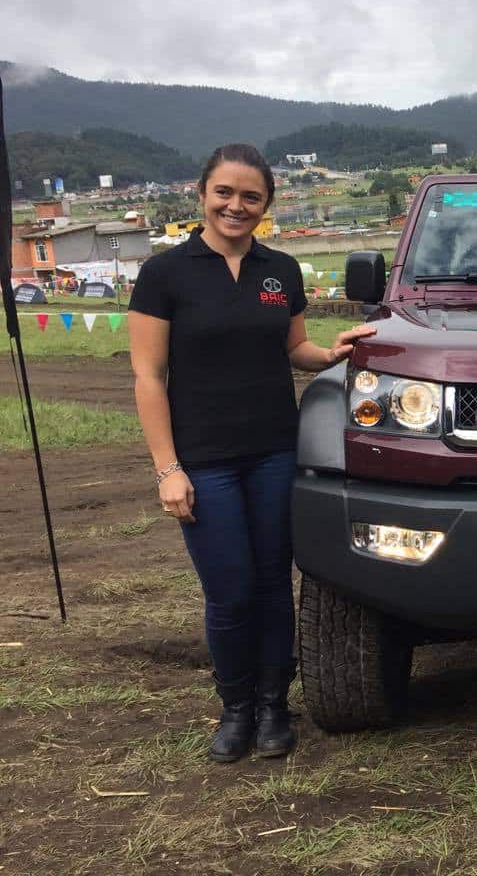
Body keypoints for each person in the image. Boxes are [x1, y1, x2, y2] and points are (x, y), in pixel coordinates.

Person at [128, 144, 375, 763]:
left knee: (272, 584)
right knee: (230, 590)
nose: (236, 206)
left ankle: (273, 707)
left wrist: (333, 353)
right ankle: (235, 707)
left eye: (251, 197)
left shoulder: (280, 270)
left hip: (274, 454)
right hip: (203, 461)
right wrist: (168, 469)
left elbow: (294, 349)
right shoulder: (165, 273)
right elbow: (149, 377)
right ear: (201, 195)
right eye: (225, 193)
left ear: (266, 204)